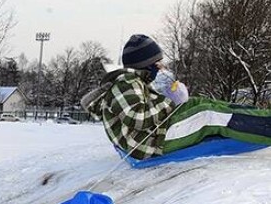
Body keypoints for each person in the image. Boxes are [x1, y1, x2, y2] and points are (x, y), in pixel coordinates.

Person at [81, 34, 271, 161]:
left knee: (200, 103)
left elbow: (145, 108)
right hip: (150, 143)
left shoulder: (135, 82)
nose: (161, 67)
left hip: (156, 134)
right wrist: (171, 102)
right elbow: (138, 117)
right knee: (207, 114)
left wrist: (170, 97)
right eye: (158, 62)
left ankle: (261, 116)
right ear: (147, 64)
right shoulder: (125, 83)